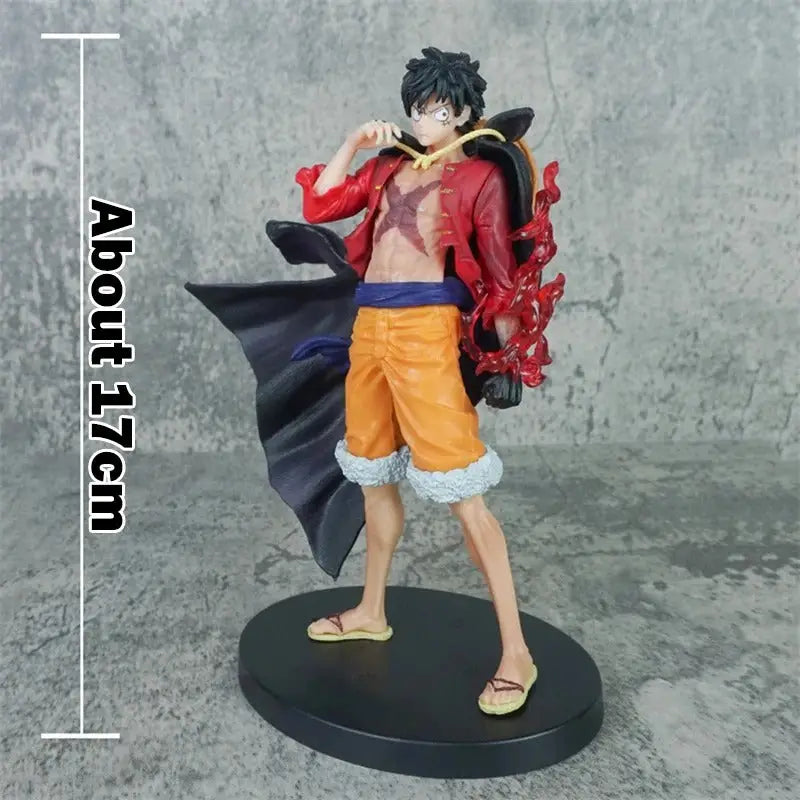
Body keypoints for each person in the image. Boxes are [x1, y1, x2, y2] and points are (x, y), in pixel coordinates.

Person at [292, 47, 565, 715]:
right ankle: (371, 609)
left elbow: (501, 275)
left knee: (465, 498)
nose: (424, 120)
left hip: (426, 334)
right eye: (418, 108)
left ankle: (516, 653)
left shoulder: (480, 176)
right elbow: (322, 204)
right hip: (370, 331)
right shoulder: (388, 166)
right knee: (372, 475)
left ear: (465, 113)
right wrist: (352, 144)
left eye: (438, 110)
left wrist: (505, 360)